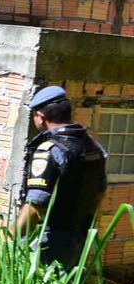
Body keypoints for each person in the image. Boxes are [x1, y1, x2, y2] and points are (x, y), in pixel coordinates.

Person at [16, 86, 108, 270]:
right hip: (78, 237)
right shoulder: (92, 145)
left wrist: (8, 238)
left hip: (48, 238)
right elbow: (100, 191)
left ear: (40, 116)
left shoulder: (50, 150)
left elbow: (36, 206)